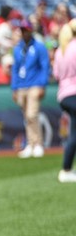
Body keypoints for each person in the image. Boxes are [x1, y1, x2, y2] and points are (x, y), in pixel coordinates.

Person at [11, 18, 51, 158]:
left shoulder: (39, 46)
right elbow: (15, 69)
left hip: (34, 84)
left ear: (31, 30)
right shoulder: (18, 48)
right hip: (22, 85)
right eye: (22, 30)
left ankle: (38, 144)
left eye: (26, 30)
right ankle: (30, 144)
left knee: (32, 114)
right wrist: (14, 88)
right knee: (26, 116)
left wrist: (42, 85)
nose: (24, 33)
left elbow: (45, 66)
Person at [53, 20, 76, 182]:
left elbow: (56, 75)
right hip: (74, 93)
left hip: (63, 94)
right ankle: (66, 169)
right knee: (74, 135)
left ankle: (67, 169)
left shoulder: (61, 49)